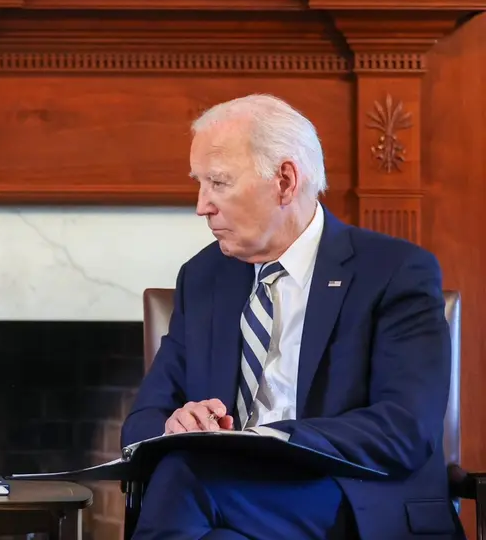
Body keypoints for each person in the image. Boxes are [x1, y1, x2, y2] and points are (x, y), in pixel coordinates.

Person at [122, 94, 461, 540]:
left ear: (284, 181)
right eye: (200, 183)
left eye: (218, 182)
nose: (202, 205)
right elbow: (142, 422)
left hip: (353, 499)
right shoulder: (203, 278)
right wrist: (175, 425)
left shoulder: (394, 271)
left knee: (185, 478)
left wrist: (271, 440)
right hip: (230, 504)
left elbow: (405, 429)